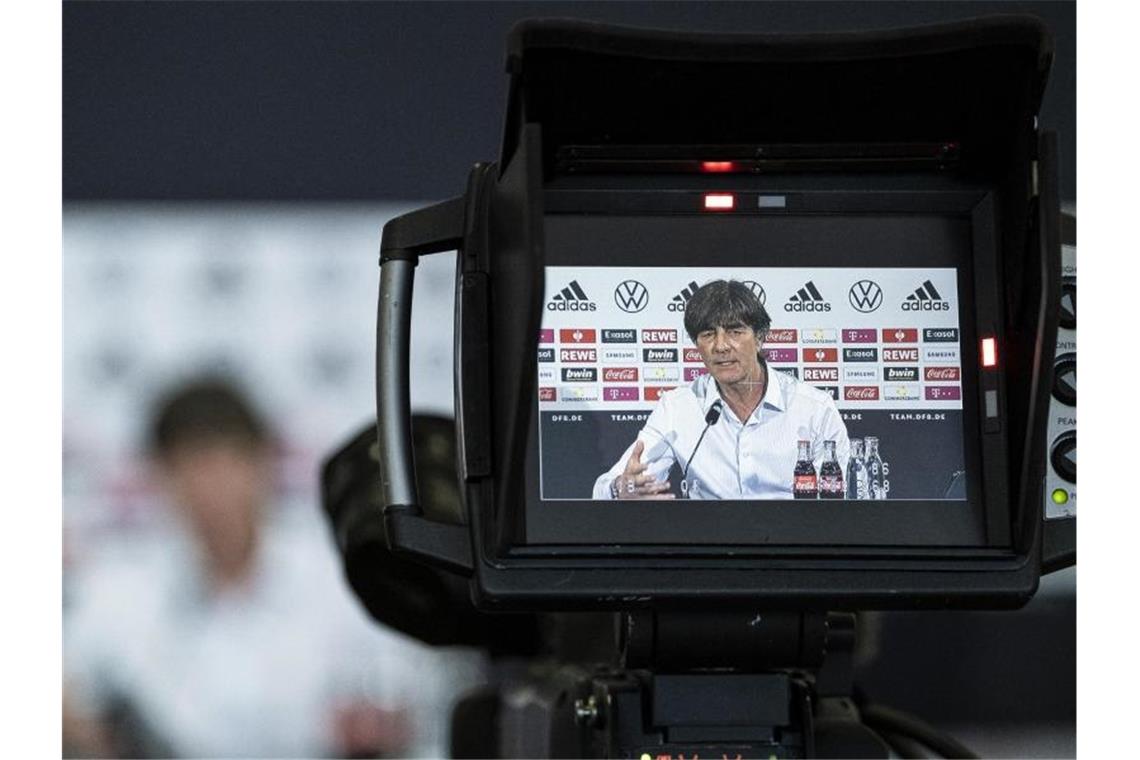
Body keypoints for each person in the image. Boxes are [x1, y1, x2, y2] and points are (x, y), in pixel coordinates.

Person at [63, 378, 461, 758]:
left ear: (264, 462)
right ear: (161, 479)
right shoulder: (124, 591)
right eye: (191, 469)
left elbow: (412, 699)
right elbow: (70, 691)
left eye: (226, 464)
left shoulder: (339, 577)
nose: (211, 491)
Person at [592, 280, 849, 500]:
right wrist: (622, 488)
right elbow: (608, 486)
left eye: (735, 331)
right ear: (697, 345)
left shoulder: (814, 408)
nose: (721, 346)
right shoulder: (677, 407)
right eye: (707, 334)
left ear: (760, 337)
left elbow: (838, 502)